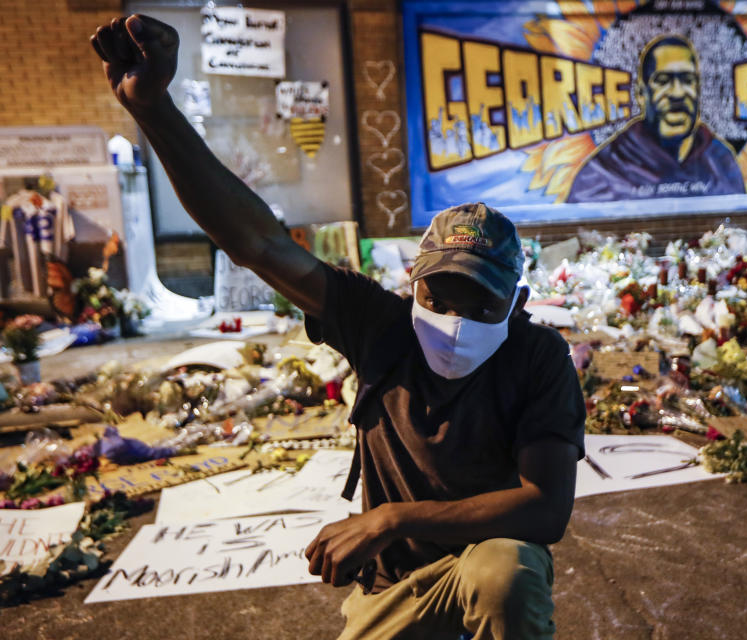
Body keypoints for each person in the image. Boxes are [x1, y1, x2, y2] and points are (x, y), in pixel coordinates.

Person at [91, 15, 585, 640]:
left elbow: (546, 508)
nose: (454, 323)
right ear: (413, 286)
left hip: (480, 557)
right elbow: (257, 242)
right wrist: (154, 108)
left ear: (516, 305)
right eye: (439, 296)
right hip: (392, 586)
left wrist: (394, 518)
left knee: (506, 573)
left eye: (480, 304)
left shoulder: (538, 357)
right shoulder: (381, 327)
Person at [567, 34, 745, 203]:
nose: (677, 93)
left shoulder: (720, 161)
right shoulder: (603, 171)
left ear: (698, 90)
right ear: (641, 94)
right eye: (663, 81)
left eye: (687, 80)